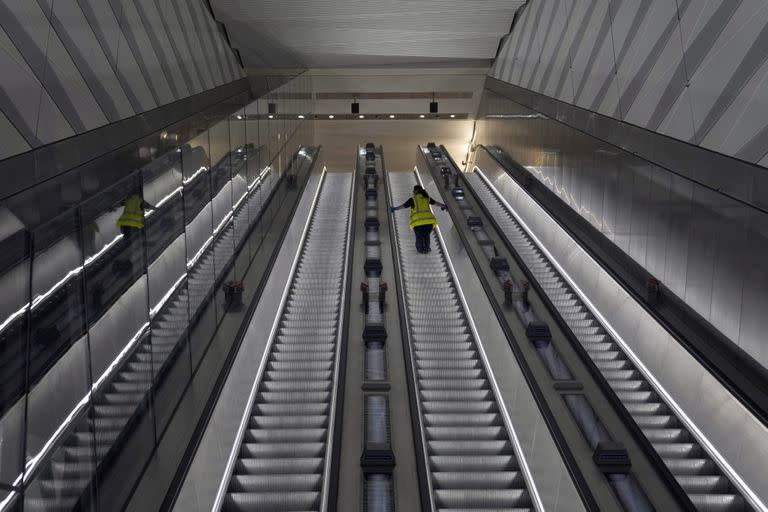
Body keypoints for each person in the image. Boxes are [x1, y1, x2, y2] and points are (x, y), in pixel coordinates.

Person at [390, 185, 446, 253]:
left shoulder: (413, 199)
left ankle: (420, 250)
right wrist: (444, 206)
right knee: (426, 236)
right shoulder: (426, 198)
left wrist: (395, 208)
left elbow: (404, 206)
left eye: (413, 191)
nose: (413, 192)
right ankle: (427, 248)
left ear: (416, 191)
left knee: (419, 237)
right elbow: (435, 203)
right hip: (429, 223)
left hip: (418, 223)